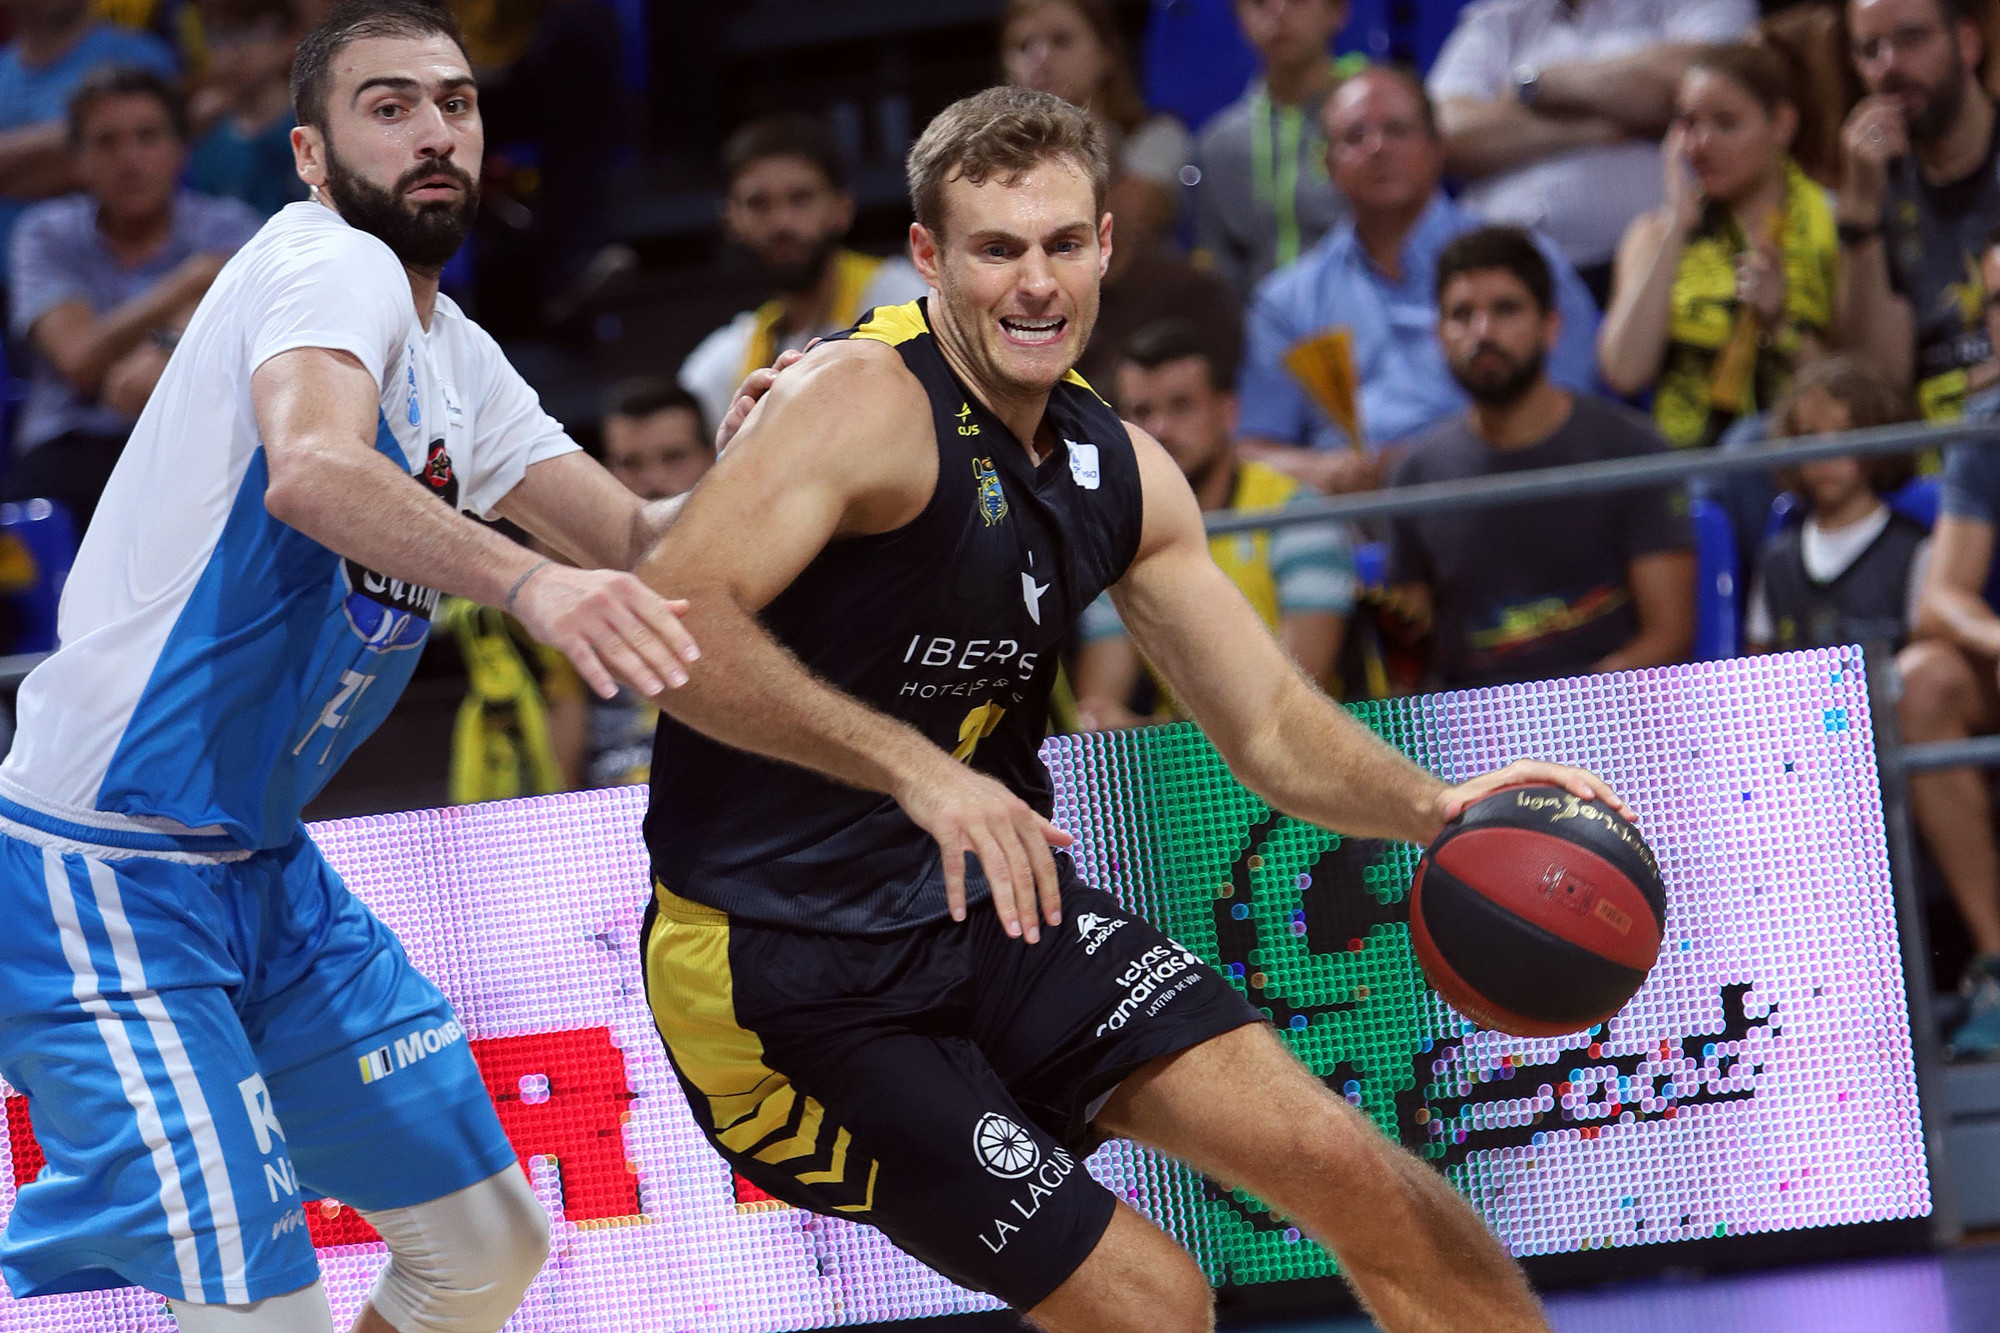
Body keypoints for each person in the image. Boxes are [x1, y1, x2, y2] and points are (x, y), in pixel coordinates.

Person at [634, 83, 1630, 1333]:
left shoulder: (1119, 467)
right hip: (784, 973)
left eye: (1062, 243)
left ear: (1106, 244)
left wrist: (1435, 809)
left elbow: (1265, 721)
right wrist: (915, 770)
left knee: (1347, 1165)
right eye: (996, 250)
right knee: (1155, 1301)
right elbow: (670, 622)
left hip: (995, 910)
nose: (1034, 283)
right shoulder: (855, 399)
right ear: (928, 256)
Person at [0, 2, 721, 1327]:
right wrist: (528, 581)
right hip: (105, 869)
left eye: (455, 101)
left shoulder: (455, 350)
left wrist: (792, 453)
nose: (434, 130)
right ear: (312, 158)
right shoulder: (326, 262)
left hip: (262, 868)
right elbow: (314, 469)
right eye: (388, 108)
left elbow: (641, 539)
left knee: (484, 1247)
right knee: (264, 1311)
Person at [1235, 66, 1601, 494]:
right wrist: (1328, 473)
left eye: (1397, 129)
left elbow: (1574, 405)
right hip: (1354, 512)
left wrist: (1449, 458)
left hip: (1503, 490)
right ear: (1329, 165)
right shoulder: (1287, 301)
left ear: (1436, 147)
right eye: (1355, 136)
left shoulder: (1525, 263)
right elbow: (1253, 450)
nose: (1378, 148)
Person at [1387, 226, 1696, 690]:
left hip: (1610, 714)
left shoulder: (1633, 450)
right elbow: (1409, 674)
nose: (1483, 332)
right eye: (1462, 314)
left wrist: (1561, 710)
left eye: (1505, 309)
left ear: (1551, 326)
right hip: (1472, 728)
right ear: (1439, 336)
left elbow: (1668, 638)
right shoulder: (1416, 477)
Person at [7, 67, 262, 532]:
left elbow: (255, 333)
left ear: (181, 150)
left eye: (148, 137)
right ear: (78, 161)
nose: (129, 160)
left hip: (194, 437)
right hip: (73, 442)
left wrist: (168, 346)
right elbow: (79, 359)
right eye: (106, 143)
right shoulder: (46, 233)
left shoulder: (231, 227)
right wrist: (192, 281)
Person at [1074, 318, 1353, 729]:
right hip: (1183, 758)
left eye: (1181, 406)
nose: (1159, 429)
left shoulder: (1296, 513)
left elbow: (1294, 707)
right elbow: (1097, 718)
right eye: (1141, 412)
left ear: (1228, 412)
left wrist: (1147, 731)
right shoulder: (1121, 534)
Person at [1427, 0, 1757, 297]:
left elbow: (1701, 87)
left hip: (1654, 271)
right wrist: (1598, 124)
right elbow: (1443, 135)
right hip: (1494, 276)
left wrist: (1539, 85)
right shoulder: (1499, 18)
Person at [1598, 43, 1838, 450]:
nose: (1701, 144)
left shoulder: (1834, 224)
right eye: (1688, 124)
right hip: (1683, 464)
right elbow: (1624, 372)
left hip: (1804, 459)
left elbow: (1857, 394)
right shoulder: (1653, 235)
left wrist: (1781, 324)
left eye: (1726, 123)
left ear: (1781, 124)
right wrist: (1677, 227)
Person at [1894, 225, 2000, 1062]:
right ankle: (1999, 963)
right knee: (1921, 680)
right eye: (1994, 303)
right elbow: (1940, 601)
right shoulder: (1984, 427)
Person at [677, 113, 929, 434]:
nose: (781, 222)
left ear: (842, 208)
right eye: (758, 203)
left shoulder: (904, 298)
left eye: (800, 199)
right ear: (731, 220)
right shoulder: (730, 355)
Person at [1837, 0, 2000, 421]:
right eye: (1870, 49)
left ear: (1967, 42)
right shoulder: (1874, 182)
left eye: (1911, 38)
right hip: (1931, 438)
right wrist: (1859, 214)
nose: (1889, 65)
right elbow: (1880, 383)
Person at [1743, 355, 1925, 654]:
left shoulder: (1915, 550)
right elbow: (1759, 661)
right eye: (1810, 435)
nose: (1826, 453)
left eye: (1845, 434)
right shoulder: (1775, 560)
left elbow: (1925, 663)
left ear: (1877, 440)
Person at [585, 377, 715, 789]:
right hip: (606, 802)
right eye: (630, 463)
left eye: (674, 457)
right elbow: (559, 706)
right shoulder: (576, 576)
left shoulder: (768, 567)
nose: (653, 480)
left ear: (714, 456)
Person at [1193, 0, 1361, 299]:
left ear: (1337, 11)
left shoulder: (1372, 130)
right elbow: (1219, 268)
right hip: (1257, 319)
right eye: (1259, 2)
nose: (1278, 11)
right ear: (1239, 19)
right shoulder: (1219, 145)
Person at [1001, 0, 1189, 251]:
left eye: (1061, 40)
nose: (1040, 57)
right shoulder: (994, 159)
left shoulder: (1158, 136)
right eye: (1023, 45)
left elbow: (1129, 219)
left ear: (1105, 52)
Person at [0, 0, 177, 260]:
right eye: (105, 140)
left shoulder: (135, 54)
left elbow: (129, 168)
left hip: (119, 269)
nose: (127, 157)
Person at [186, 0, 309, 217]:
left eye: (248, 34)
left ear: (288, 40)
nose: (230, 54)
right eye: (219, 37)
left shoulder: (312, 126)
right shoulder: (205, 136)